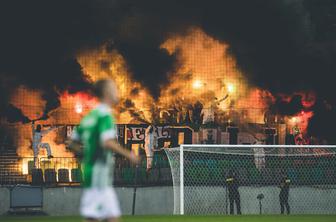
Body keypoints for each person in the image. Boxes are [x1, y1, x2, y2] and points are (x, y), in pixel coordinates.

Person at [68, 79, 140, 222]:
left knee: (98, 217)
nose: (117, 91)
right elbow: (107, 142)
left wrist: (85, 155)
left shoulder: (89, 117)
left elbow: (71, 142)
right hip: (99, 176)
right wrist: (129, 155)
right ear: (107, 92)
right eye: (114, 88)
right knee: (109, 217)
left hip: (91, 173)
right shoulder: (105, 116)